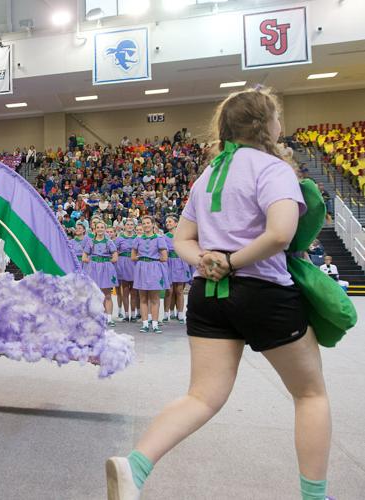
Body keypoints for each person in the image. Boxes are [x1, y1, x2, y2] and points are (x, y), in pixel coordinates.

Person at [106, 88, 333, 500]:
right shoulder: (272, 169)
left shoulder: (207, 176)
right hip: (263, 292)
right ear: (266, 125)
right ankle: (315, 497)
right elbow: (280, 233)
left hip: (207, 295)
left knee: (201, 396)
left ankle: (135, 465)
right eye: (277, 118)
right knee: (310, 393)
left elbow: (182, 240)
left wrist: (208, 261)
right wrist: (234, 260)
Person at [131, 215, 168, 333]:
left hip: (154, 268)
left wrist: (153, 261)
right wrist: (142, 260)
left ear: (153, 224)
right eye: (144, 223)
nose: (146, 225)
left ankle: (155, 324)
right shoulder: (137, 239)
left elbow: (164, 257)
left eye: (148, 223)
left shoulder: (159, 238)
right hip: (141, 268)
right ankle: (145, 324)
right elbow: (132, 256)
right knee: (142, 297)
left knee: (155, 298)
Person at [87, 221, 119, 327]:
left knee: (107, 294)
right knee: (95, 294)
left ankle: (109, 317)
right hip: (94, 269)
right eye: (98, 227)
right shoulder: (91, 241)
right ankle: (97, 316)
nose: (100, 229)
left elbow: (115, 255)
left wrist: (108, 262)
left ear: (104, 229)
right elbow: (84, 256)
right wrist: (92, 263)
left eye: (102, 227)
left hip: (105, 268)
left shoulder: (109, 242)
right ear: (94, 229)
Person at [162, 215, 191, 323]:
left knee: (179, 290)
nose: (168, 223)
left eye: (170, 221)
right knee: (169, 290)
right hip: (169, 263)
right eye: (166, 222)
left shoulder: (182, 236)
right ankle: (166, 314)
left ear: (176, 223)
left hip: (180, 263)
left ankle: (180, 314)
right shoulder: (164, 237)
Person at [114, 219, 138, 322]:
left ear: (134, 226)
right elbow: (114, 251)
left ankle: (133, 315)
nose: (129, 226)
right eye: (128, 224)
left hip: (134, 264)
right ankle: (126, 314)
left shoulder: (137, 238)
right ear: (124, 226)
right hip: (123, 264)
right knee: (125, 291)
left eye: (131, 224)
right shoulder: (119, 238)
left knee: (134, 291)